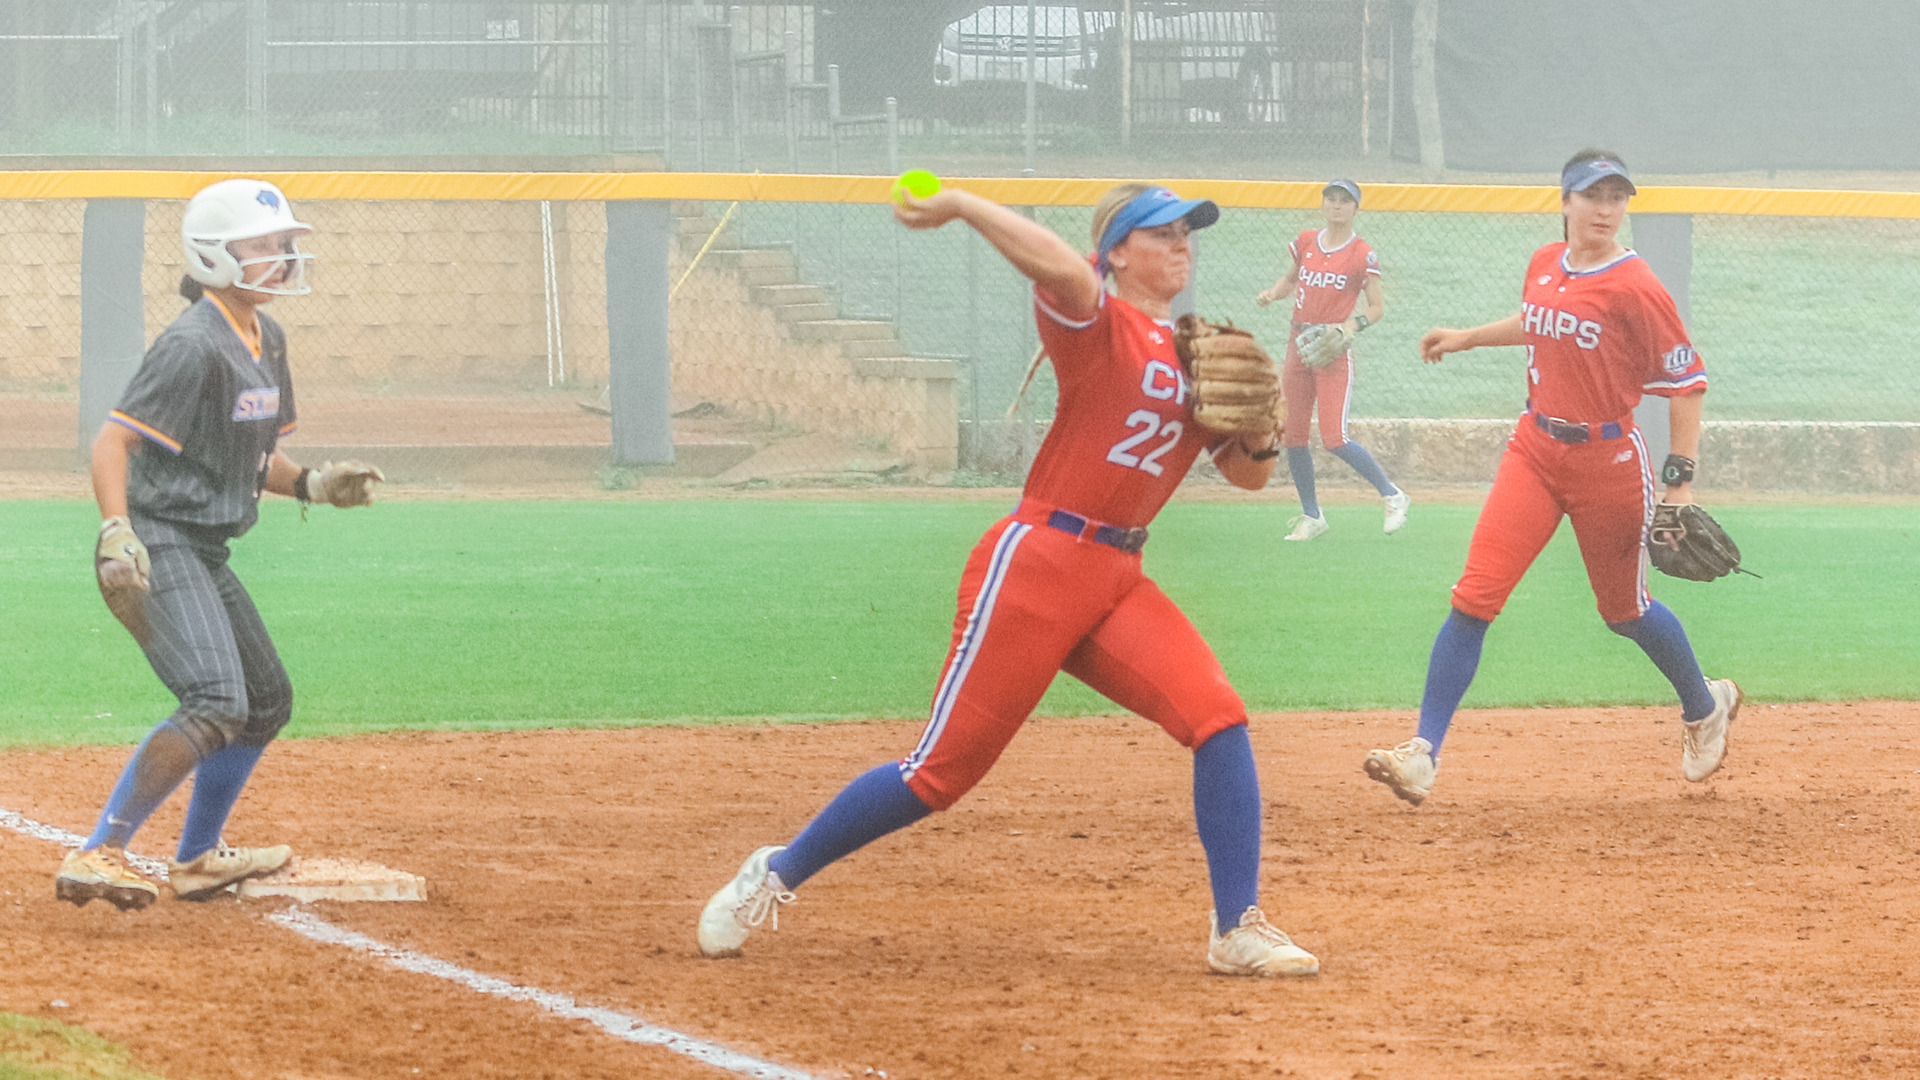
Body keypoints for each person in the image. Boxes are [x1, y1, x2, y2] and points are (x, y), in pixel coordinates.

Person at [697, 182, 1319, 977]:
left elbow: (1247, 479)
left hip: (1117, 576)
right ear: (1118, 249)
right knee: (937, 775)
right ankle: (775, 872)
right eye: (1163, 232)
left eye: (1189, 233)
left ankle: (1238, 928)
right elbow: (1058, 268)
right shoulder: (1100, 324)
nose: (1182, 243)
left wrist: (1261, 432)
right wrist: (961, 203)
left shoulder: (1200, 351)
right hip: (1035, 565)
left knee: (1218, 718)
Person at [1362, 151, 1740, 808]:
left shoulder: (1637, 286)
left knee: (1624, 612)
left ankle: (1704, 706)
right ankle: (1422, 754)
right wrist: (1469, 337)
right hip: (1534, 451)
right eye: (1593, 195)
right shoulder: (1545, 262)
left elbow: (1687, 384)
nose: (1605, 208)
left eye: (1617, 197)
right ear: (1564, 202)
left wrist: (1679, 483)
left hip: (1610, 465)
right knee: (1475, 596)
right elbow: (1538, 323)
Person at [56, 179, 385, 910]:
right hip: (158, 541)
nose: (283, 256)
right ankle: (99, 852)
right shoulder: (191, 344)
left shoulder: (268, 339)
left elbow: (253, 457)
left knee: (263, 700)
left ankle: (198, 857)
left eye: (284, 244)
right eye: (264, 246)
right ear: (214, 256)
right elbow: (112, 444)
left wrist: (315, 487)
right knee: (213, 697)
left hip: (204, 548)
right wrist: (117, 533)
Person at [1256, 179, 1409, 541]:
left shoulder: (1362, 253)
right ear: (1323, 204)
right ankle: (1312, 516)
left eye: (1345, 201)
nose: (1337, 206)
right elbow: (1290, 281)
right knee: (1293, 435)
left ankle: (1393, 495)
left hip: (1331, 350)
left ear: (1356, 209)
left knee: (1334, 438)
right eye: (1332, 199)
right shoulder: (1308, 240)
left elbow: (1377, 308)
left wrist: (1350, 326)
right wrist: (1272, 294)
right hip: (1299, 344)